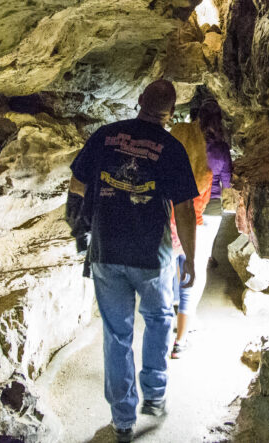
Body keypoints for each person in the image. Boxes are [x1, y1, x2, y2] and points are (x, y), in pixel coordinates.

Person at [66, 79, 198, 443]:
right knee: (158, 319)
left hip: (106, 250)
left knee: (117, 334)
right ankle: (154, 395)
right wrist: (190, 257)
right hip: (150, 255)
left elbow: (76, 185)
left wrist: (81, 232)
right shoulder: (170, 148)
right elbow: (185, 209)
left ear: (139, 100)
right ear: (170, 114)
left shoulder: (105, 135)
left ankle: (123, 419)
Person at [167, 97, 233, 357]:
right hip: (209, 210)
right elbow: (226, 182)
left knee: (178, 257)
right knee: (196, 266)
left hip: (177, 208)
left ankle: (176, 306)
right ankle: (185, 329)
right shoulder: (218, 150)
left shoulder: (183, 139)